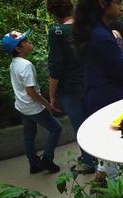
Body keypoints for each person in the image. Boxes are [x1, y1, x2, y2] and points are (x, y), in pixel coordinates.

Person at [72, 0, 123, 175]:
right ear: (103, 4)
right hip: (107, 97)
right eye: (117, 2)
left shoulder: (93, 31)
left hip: (97, 95)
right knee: (112, 150)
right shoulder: (102, 37)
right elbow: (122, 71)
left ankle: (104, 181)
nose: (120, 7)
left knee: (106, 152)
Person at [46, 0, 97, 174]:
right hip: (91, 83)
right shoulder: (87, 28)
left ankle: (89, 162)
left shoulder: (56, 32)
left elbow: (56, 66)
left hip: (70, 88)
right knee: (93, 122)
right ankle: (97, 157)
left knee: (80, 126)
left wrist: (52, 95)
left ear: (53, 13)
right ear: (71, 7)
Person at [1, 30, 62, 174]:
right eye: (26, 41)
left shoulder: (14, 63)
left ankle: (34, 164)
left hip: (21, 107)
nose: (30, 42)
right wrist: (49, 106)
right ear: (18, 48)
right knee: (56, 129)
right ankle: (46, 160)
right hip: (33, 108)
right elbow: (31, 92)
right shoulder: (26, 65)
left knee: (29, 135)